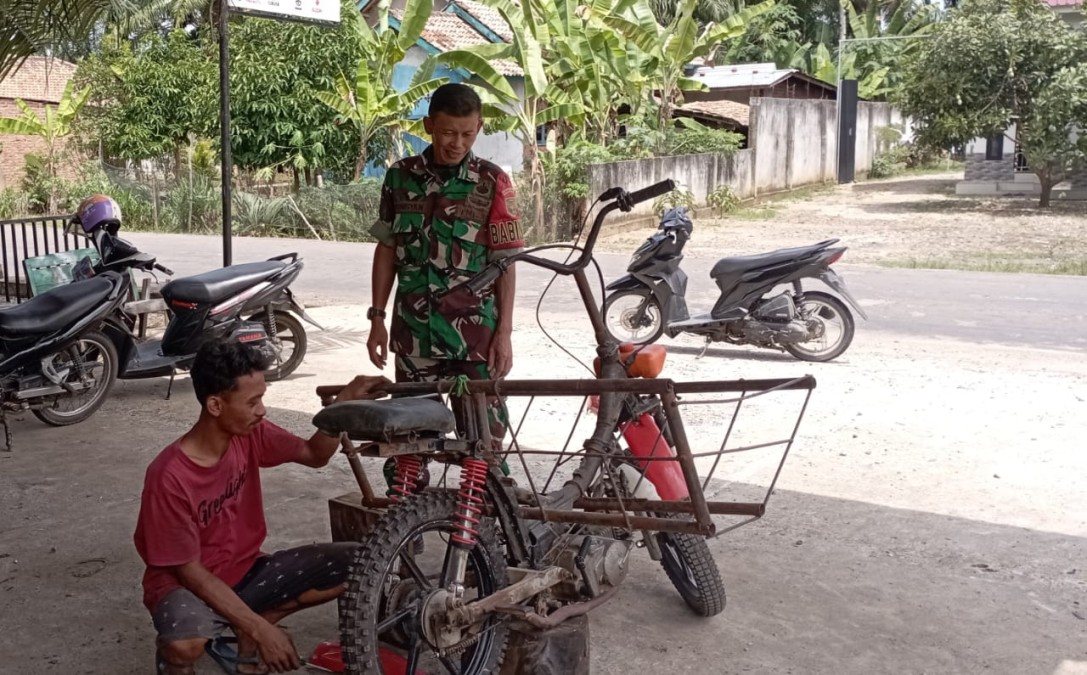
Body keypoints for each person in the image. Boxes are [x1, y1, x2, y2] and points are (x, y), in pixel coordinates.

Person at [134, 338, 389, 675]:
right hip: (185, 587)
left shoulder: (250, 433)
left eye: (263, 399)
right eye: (253, 402)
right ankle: (178, 661)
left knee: (365, 560)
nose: (262, 410)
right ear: (215, 405)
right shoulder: (168, 476)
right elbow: (189, 571)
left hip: (247, 571)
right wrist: (261, 631)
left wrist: (342, 406)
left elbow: (314, 455)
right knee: (185, 644)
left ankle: (253, 623)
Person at [367, 82, 523, 477]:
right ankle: (405, 530)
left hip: (474, 342)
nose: (457, 143)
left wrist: (503, 333)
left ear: (479, 128)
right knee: (408, 446)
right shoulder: (400, 177)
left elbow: (505, 263)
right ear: (429, 126)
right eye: (448, 132)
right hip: (414, 336)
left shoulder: (492, 182)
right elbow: (386, 249)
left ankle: (486, 526)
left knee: (484, 449)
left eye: (468, 134)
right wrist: (377, 319)